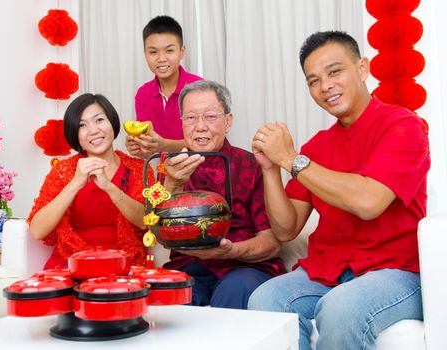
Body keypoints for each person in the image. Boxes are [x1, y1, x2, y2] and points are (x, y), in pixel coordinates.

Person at [248, 31, 430, 350]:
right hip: (328, 270)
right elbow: (286, 228)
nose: (325, 86)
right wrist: (270, 169)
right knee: (264, 300)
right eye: (314, 80)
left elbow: (368, 201)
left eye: (335, 71)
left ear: (362, 68)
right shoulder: (317, 146)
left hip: (397, 272)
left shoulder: (404, 126)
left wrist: (291, 159)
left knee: (341, 309)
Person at [160, 80, 286, 309]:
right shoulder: (170, 168)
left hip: (243, 267)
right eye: (190, 118)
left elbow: (272, 241)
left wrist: (231, 250)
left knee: (233, 290)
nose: (200, 126)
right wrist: (171, 184)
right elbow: (156, 231)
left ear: (228, 121)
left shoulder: (252, 165)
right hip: (190, 266)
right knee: (174, 295)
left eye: (210, 116)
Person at [28, 93, 154, 269]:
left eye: (99, 120)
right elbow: (37, 230)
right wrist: (75, 184)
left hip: (125, 265)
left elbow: (145, 220)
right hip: (72, 264)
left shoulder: (139, 168)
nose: (94, 130)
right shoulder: (64, 171)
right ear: (75, 134)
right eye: (82, 125)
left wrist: (109, 187)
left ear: (112, 122)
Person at [126, 15, 202, 159]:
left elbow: (206, 143)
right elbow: (148, 149)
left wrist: (163, 145)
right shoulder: (143, 94)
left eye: (169, 50)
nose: (161, 59)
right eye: (153, 52)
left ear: (182, 51)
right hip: (167, 174)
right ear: (145, 54)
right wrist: (138, 146)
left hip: (205, 171)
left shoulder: (199, 88)